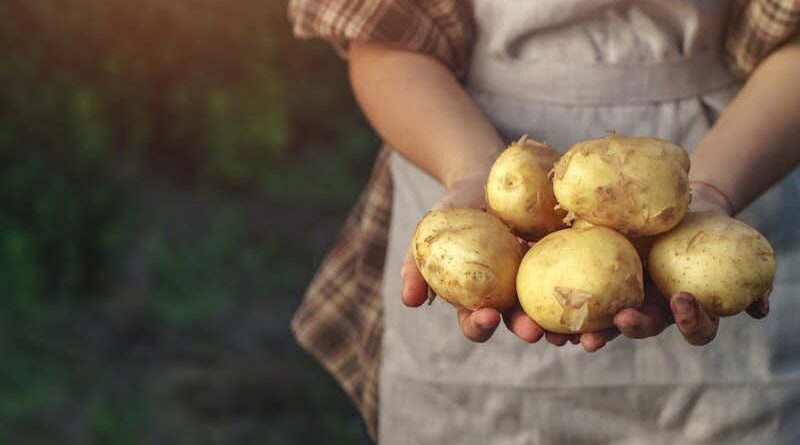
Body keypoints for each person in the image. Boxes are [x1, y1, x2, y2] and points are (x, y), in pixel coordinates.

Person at [289, 0, 800, 442]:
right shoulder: (491, 196)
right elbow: (382, 34)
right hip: (461, 145)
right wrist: (471, 170)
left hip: (742, 149)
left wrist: (712, 190)